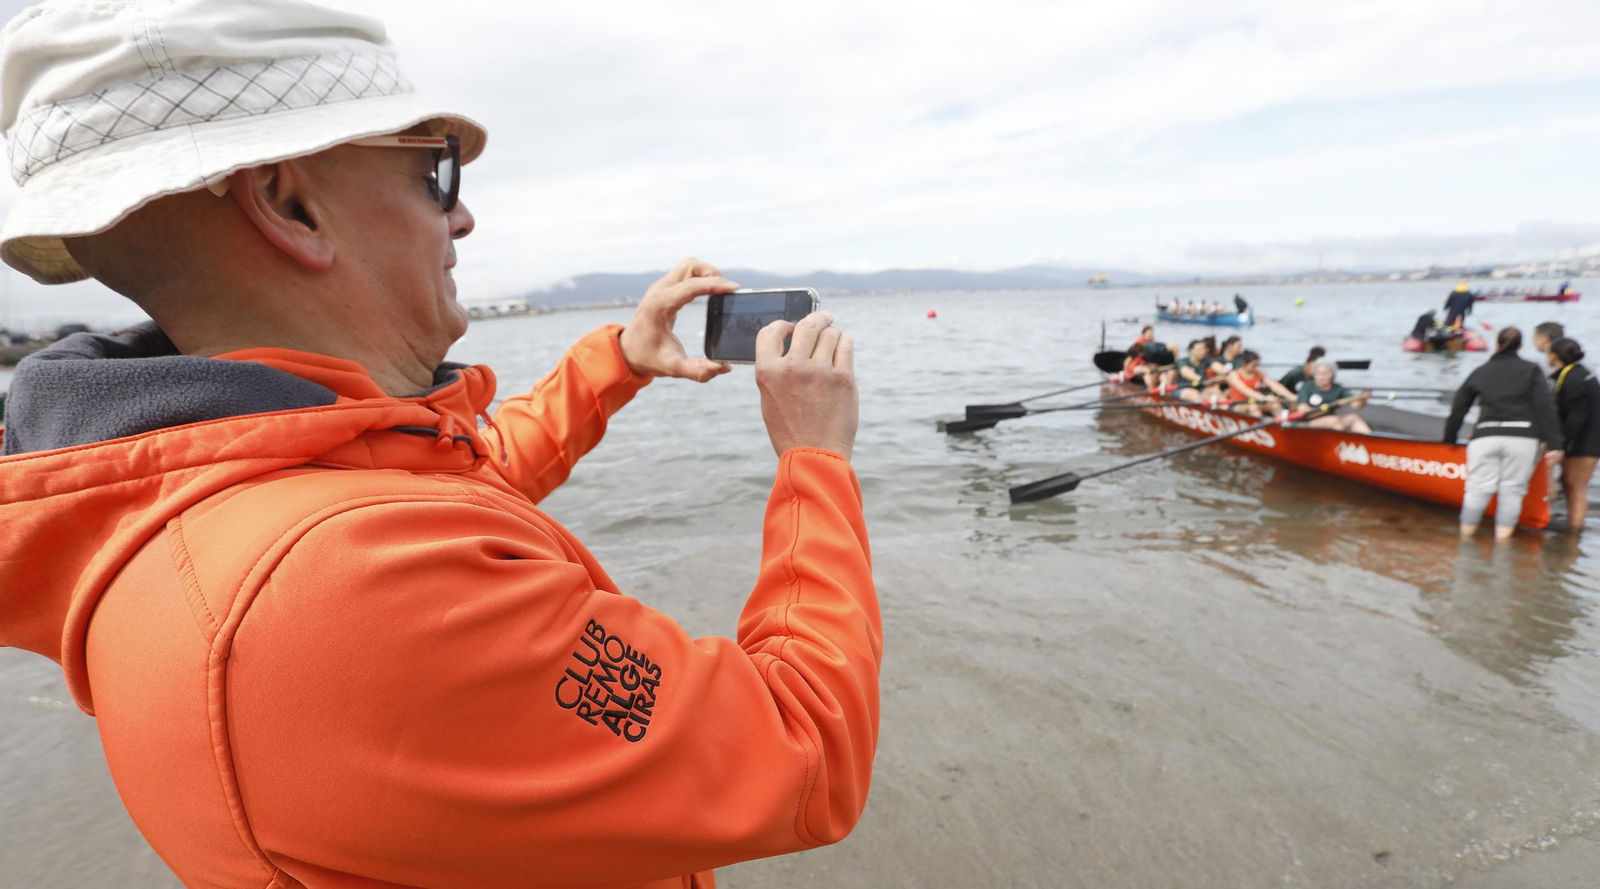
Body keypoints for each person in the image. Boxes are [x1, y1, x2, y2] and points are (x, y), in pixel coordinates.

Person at [0, 4, 879, 889]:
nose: (461, 220)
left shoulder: (219, 484)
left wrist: (619, 359)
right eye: (435, 171)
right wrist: (816, 461)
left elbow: (463, 476)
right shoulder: (353, 586)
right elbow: (801, 750)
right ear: (290, 203)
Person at [1444, 327, 1563, 539]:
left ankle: (1466, 537)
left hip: (1486, 436)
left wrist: (1449, 439)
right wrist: (1555, 444)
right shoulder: (1531, 369)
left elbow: (1459, 407)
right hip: (1523, 438)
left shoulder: (1482, 370)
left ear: (1497, 345)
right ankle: (1502, 544)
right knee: (1513, 491)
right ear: (1521, 346)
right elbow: (1545, 408)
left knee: (1477, 490)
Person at [1546, 338, 1600, 530]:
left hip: (1586, 442)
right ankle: (1570, 524)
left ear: (1554, 355)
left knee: (1577, 488)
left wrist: (1560, 443)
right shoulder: (1579, 373)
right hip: (1585, 438)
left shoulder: (1573, 379)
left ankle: (1573, 534)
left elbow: (1576, 415)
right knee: (1567, 482)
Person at [1295, 359, 1371, 432]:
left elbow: (1356, 405)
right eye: (1317, 373)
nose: (1321, 376)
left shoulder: (1338, 388)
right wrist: (1327, 409)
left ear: (1332, 374)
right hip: (1310, 421)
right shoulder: (1307, 387)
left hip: (1331, 418)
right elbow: (1303, 411)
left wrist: (1363, 399)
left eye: (1325, 373)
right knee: (1336, 423)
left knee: (1353, 418)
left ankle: (1371, 440)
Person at [1226, 351, 1296, 417]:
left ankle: (1283, 426)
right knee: (1253, 407)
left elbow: (1274, 385)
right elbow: (1244, 389)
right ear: (1244, 364)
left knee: (1275, 405)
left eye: (1257, 365)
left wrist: (1290, 396)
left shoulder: (1259, 373)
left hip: (1255, 401)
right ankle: (1260, 428)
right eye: (1253, 365)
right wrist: (1263, 398)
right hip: (1238, 404)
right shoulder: (1234, 374)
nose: (1255, 368)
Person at [1175, 338, 1224, 403]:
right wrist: (1200, 379)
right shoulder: (1183, 361)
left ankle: (1226, 410)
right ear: (1191, 350)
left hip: (1200, 388)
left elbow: (1220, 368)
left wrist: (1226, 372)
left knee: (1216, 392)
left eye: (1204, 349)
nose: (1203, 351)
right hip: (1182, 388)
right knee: (1194, 394)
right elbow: (1186, 373)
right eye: (1199, 349)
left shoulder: (1206, 360)